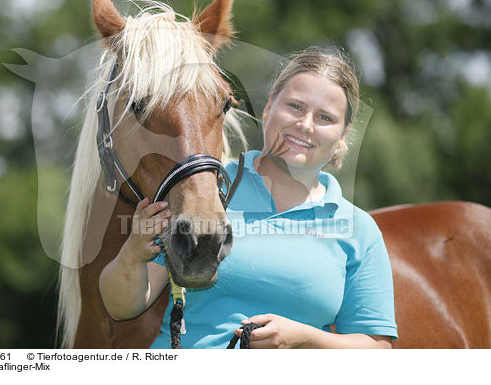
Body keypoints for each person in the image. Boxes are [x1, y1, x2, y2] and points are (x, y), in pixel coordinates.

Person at [99, 47, 398, 348]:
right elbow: (122, 307)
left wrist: (304, 339)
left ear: (343, 134)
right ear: (269, 105)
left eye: (324, 117)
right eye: (295, 106)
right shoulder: (200, 187)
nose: (305, 125)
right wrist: (133, 254)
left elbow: (378, 348)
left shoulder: (360, 229)